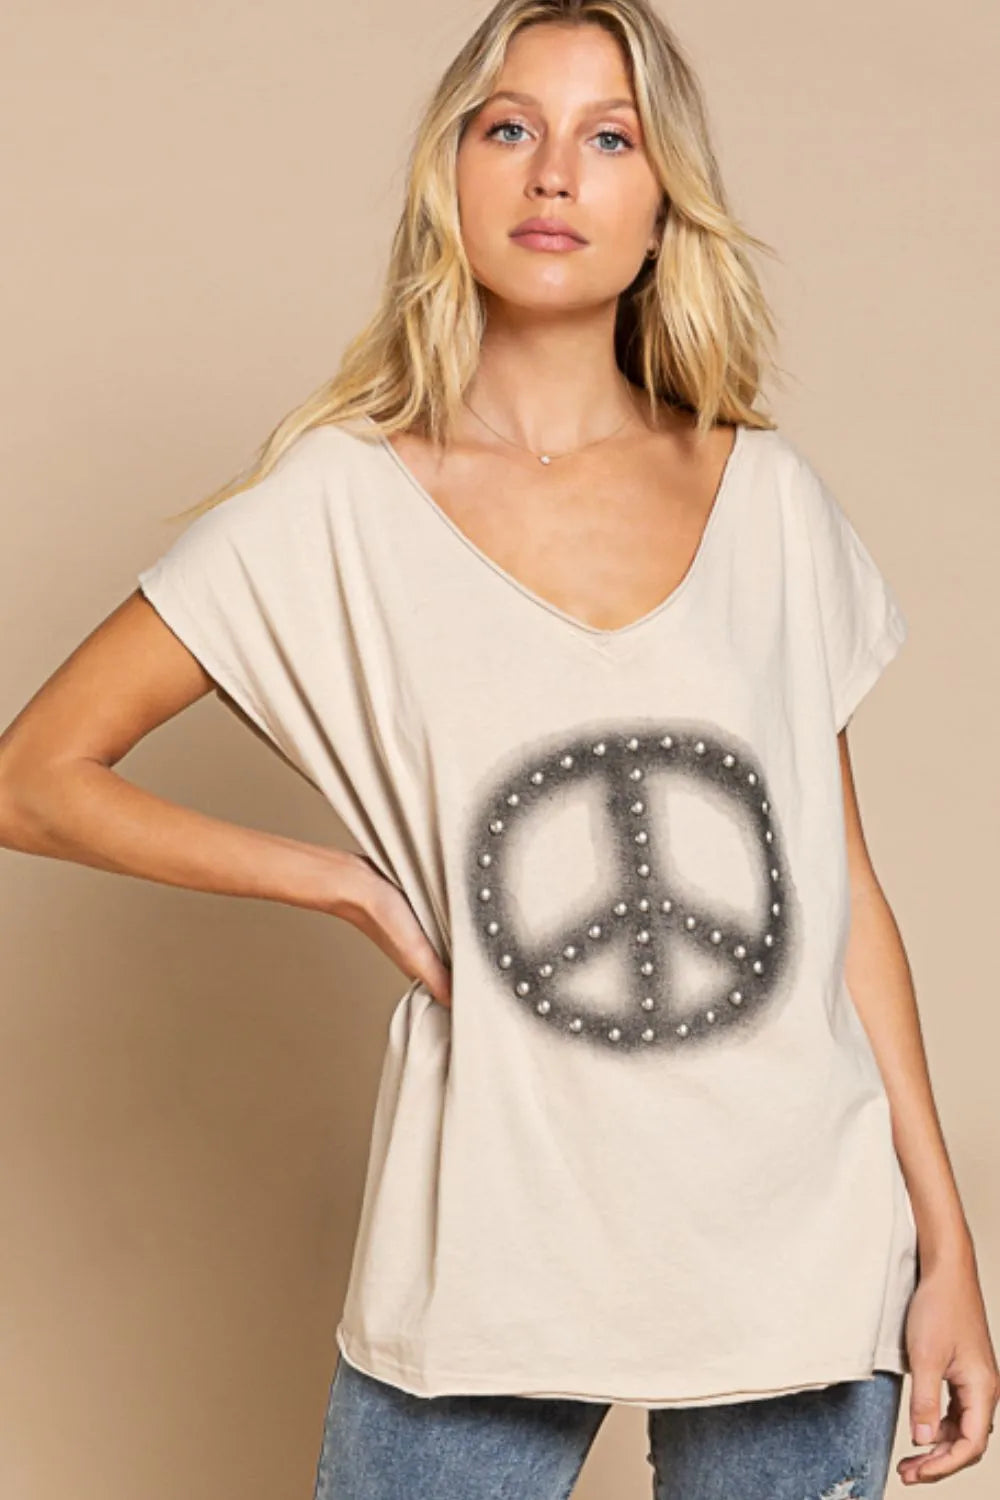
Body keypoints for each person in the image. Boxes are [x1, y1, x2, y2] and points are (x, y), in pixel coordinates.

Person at [1, 1, 996, 1495]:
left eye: (611, 139)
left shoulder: (769, 500)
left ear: (662, 211)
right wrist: (343, 884)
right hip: (495, 1245)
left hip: (802, 1242)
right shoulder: (335, 507)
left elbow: (843, 891)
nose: (554, 174)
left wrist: (946, 1249)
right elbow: (32, 779)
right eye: (511, 127)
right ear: (450, 173)